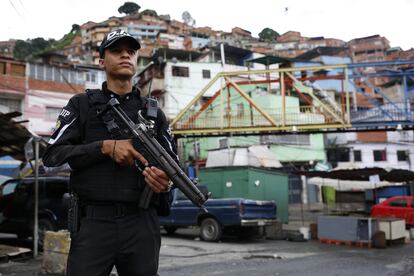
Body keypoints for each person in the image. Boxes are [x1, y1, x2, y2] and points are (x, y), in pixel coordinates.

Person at [43, 29, 177, 276]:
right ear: (102, 62)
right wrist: (104, 147)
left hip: (141, 222)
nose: (125, 55)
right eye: (117, 50)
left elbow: (172, 165)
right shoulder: (81, 104)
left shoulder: (154, 113)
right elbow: (52, 155)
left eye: (131, 51)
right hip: (94, 223)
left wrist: (164, 182)